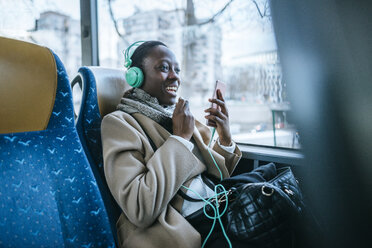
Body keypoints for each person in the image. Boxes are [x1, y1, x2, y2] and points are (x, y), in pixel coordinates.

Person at [101, 40, 242, 248]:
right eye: (164, 68)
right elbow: (138, 206)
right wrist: (179, 140)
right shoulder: (119, 124)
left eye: (177, 69)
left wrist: (225, 138)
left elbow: (216, 177)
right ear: (136, 76)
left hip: (216, 210)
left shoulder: (176, 116)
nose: (175, 76)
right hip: (183, 230)